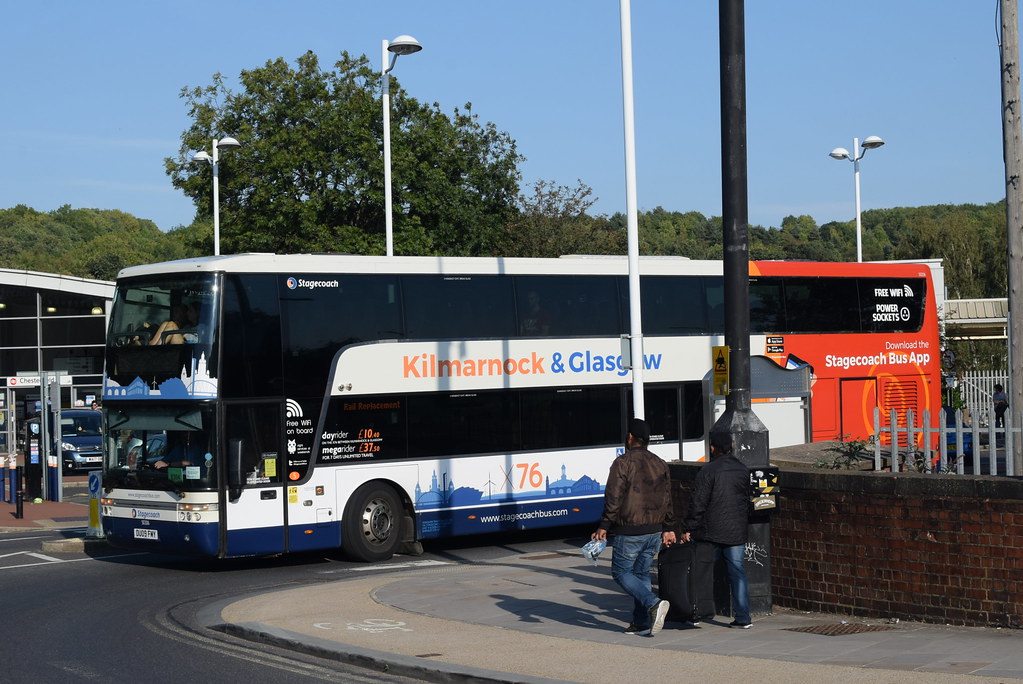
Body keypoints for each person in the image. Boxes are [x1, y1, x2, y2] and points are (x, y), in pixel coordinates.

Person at [592, 418, 675, 636]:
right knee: (640, 573)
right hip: (654, 529)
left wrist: (604, 525)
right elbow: (668, 497)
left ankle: (653, 603)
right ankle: (641, 622)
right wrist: (668, 526)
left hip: (630, 528)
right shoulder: (660, 462)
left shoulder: (622, 462)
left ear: (630, 438)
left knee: (620, 572)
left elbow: (614, 497)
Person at [681, 432, 752, 629]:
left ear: (713, 448)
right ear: (732, 445)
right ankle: (743, 617)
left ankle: (696, 613)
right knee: (738, 574)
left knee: (701, 572)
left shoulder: (708, 471)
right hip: (736, 532)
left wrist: (689, 527)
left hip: (711, 532)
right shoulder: (742, 469)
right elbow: (747, 500)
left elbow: (698, 502)